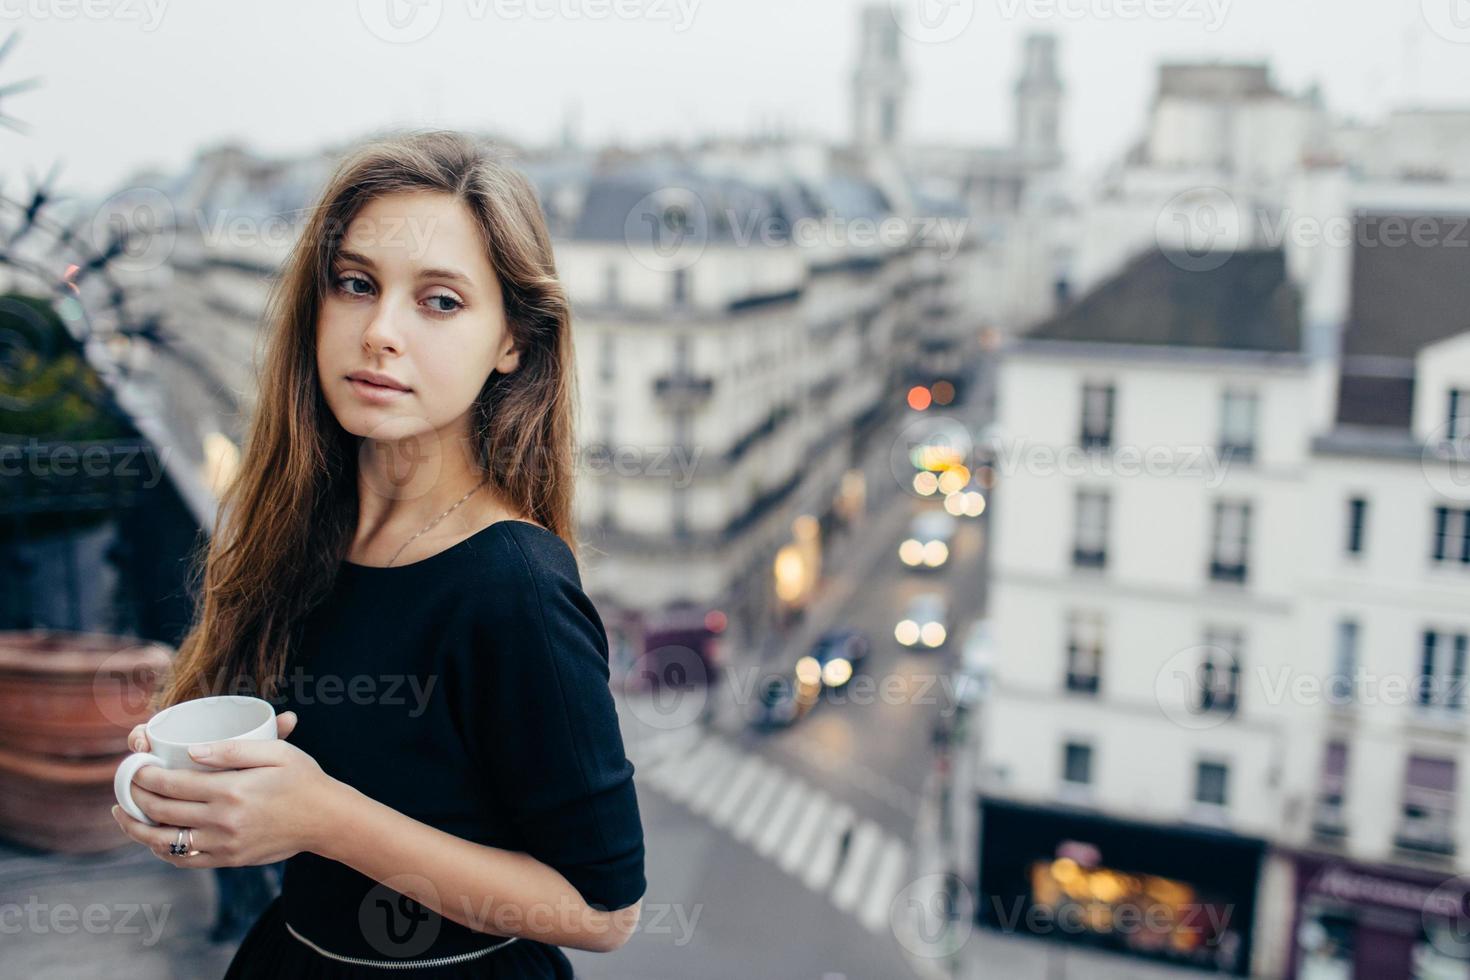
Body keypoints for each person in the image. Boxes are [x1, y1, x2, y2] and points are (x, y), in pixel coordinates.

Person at [109, 130, 646, 977]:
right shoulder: (301, 527)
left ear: (513, 341)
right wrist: (192, 804)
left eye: (439, 301)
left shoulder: (516, 586)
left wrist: (324, 817)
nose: (380, 333)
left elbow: (603, 909)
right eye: (356, 285)